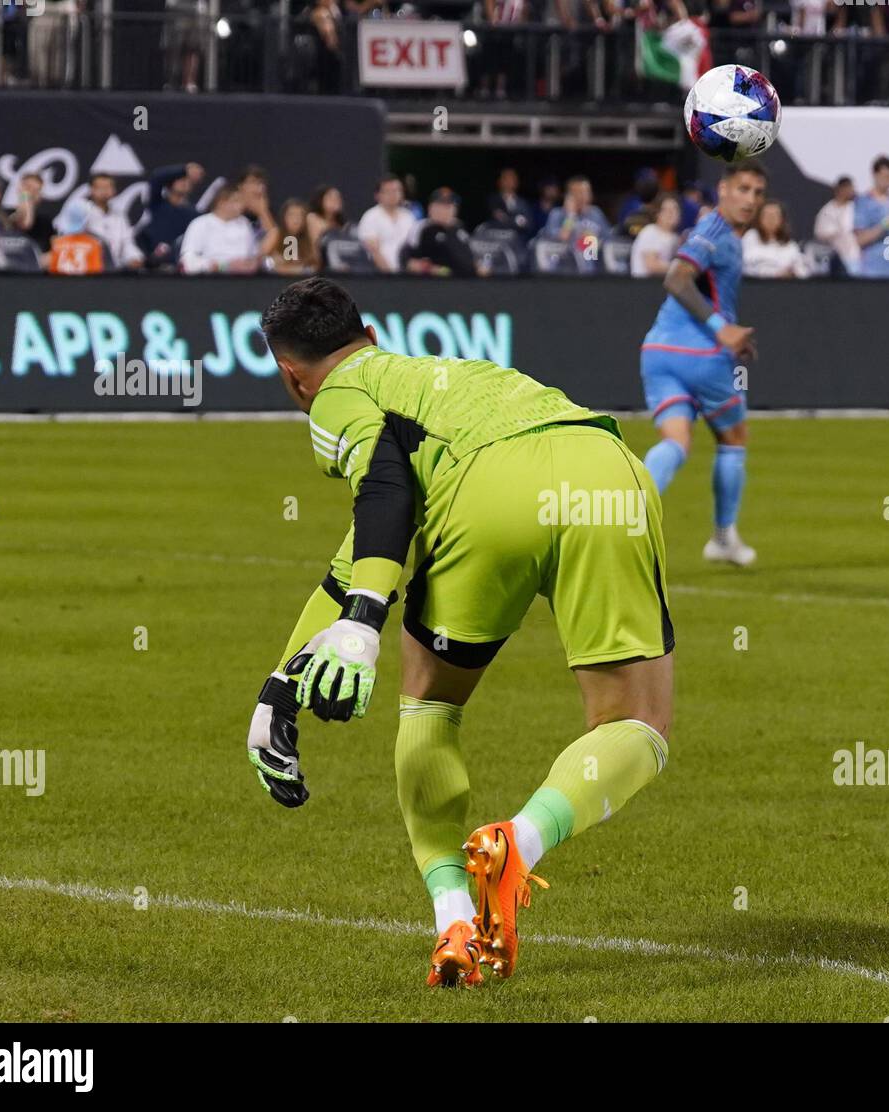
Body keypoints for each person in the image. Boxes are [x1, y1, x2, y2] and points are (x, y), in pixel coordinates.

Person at [251, 276, 674, 988]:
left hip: (487, 498)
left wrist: (360, 629)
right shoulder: (434, 378)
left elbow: (382, 490)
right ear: (375, 336)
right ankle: (522, 841)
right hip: (601, 469)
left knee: (430, 706)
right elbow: (361, 552)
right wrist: (280, 684)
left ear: (290, 375)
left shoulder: (332, 399)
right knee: (637, 722)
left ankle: (453, 918)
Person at [639, 160, 765, 567]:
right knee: (734, 440)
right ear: (723, 189)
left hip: (658, 352)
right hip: (701, 356)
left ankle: (626, 517)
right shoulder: (713, 231)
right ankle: (723, 537)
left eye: (757, 193)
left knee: (675, 442)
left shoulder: (724, 234)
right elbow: (676, 277)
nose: (751, 200)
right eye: (743, 189)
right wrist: (722, 330)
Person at [853, 156, 889, 278]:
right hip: (872, 272)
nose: (888, 181)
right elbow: (860, 240)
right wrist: (885, 225)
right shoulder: (864, 202)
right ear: (875, 175)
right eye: (885, 177)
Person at [179, 185, 261, 274]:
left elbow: (253, 255)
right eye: (237, 201)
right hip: (210, 280)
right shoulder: (200, 224)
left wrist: (252, 264)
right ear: (222, 202)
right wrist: (224, 266)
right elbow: (187, 262)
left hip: (244, 281)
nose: (242, 206)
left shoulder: (244, 224)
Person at [138, 161, 205, 268]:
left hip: (180, 266)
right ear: (169, 183)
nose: (184, 182)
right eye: (180, 179)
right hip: (154, 265)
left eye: (187, 179)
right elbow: (157, 177)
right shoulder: (156, 204)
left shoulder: (196, 215)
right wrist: (184, 169)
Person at [403, 188, 477, 278]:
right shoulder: (422, 227)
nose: (446, 210)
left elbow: (469, 258)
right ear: (431, 208)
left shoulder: (459, 228)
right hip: (433, 282)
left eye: (450, 206)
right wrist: (427, 268)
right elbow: (407, 258)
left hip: (463, 282)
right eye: (441, 205)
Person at [80, 174, 143, 270]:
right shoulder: (81, 213)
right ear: (91, 190)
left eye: (108, 187)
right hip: (89, 269)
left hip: (114, 271)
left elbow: (126, 243)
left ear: (114, 190)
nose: (104, 191)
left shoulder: (120, 217)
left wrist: (134, 257)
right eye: (100, 187)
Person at [357, 175, 417, 273]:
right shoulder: (371, 216)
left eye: (397, 190)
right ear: (377, 195)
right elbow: (373, 251)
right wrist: (389, 274)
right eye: (388, 191)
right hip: (381, 275)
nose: (393, 194)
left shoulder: (409, 217)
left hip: (408, 275)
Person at [742, 199, 808, 278]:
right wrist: (776, 274)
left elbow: (803, 272)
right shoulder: (750, 237)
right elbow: (745, 267)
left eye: (775, 215)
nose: (771, 219)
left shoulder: (791, 245)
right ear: (759, 218)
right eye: (767, 215)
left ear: (782, 220)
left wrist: (793, 272)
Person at [46, 199, 108, 276]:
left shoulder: (57, 244)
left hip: (59, 286)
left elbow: (52, 274)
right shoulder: (94, 245)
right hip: (85, 286)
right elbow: (96, 275)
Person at [813, 175, 859, 276]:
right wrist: (837, 232)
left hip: (855, 257)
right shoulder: (827, 211)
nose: (852, 191)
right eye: (849, 188)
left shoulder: (855, 208)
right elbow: (820, 233)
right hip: (833, 259)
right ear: (840, 189)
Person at [630, 194, 681, 278]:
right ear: (657, 213)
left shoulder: (675, 237)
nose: (671, 214)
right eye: (667, 210)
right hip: (644, 286)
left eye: (675, 210)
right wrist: (678, 267)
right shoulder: (650, 232)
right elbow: (652, 265)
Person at [7, 172, 56, 253]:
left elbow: (53, 251)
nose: (31, 193)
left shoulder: (46, 223)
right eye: (28, 187)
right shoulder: (4, 214)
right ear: (19, 188)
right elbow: (24, 222)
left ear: (41, 196)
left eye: (36, 190)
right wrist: (24, 198)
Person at [269, 198, 319, 274]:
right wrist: (272, 262)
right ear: (284, 217)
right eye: (291, 215)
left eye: (299, 215)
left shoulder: (309, 237)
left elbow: (316, 265)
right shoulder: (276, 234)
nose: (295, 220)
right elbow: (259, 260)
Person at [484, 167, 537, 239]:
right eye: (506, 178)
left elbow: (529, 225)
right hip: (497, 240)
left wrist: (510, 220)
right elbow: (499, 221)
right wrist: (516, 221)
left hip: (518, 241)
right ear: (499, 181)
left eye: (512, 178)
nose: (510, 181)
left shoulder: (524, 203)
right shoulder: (493, 200)